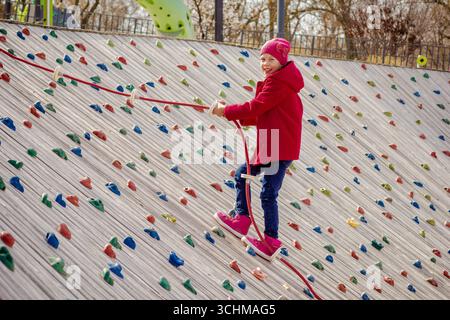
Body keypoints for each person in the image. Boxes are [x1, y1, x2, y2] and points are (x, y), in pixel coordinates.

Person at [210, 38, 304, 261]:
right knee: (244, 174)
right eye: (262, 59)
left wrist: (227, 111)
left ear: (282, 60)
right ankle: (243, 220)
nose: (265, 63)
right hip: (275, 145)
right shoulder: (281, 82)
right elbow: (260, 112)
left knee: (268, 192)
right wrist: (229, 113)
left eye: (271, 59)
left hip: (277, 147)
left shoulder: (279, 83)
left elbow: (257, 106)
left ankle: (270, 240)